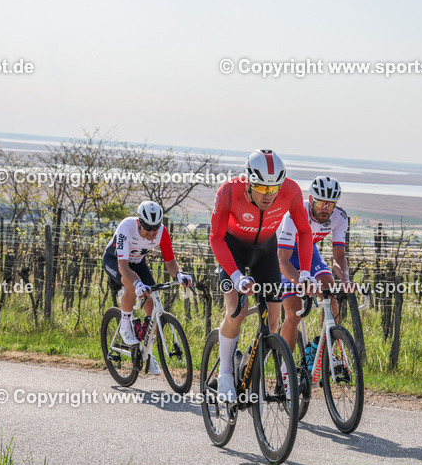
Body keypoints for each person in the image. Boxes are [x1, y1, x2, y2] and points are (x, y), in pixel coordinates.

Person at [210, 149, 315, 402]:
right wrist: (236, 276)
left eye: (274, 189)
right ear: (248, 181)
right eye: (262, 188)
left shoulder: (290, 191)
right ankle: (225, 373)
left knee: (274, 322)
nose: (269, 195)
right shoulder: (228, 192)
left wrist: (305, 273)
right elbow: (215, 238)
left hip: (265, 250)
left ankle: (248, 365)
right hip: (232, 250)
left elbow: (305, 231)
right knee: (237, 310)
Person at [103, 201, 193, 374]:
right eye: (148, 229)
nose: (152, 233)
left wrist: (179, 275)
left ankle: (148, 354)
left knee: (151, 304)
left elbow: (171, 262)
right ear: (139, 223)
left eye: (155, 228)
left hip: (137, 262)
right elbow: (123, 267)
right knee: (131, 285)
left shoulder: (162, 232)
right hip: (115, 261)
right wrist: (136, 284)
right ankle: (125, 325)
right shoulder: (126, 228)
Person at [277, 176, 352, 353]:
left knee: (329, 290)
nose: (325, 209)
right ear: (311, 199)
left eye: (330, 204)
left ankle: (321, 353)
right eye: (320, 203)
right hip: (285, 255)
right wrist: (301, 283)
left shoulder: (339, 217)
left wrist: (346, 279)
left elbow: (339, 256)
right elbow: (283, 260)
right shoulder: (293, 214)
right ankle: (285, 370)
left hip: (308, 252)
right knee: (294, 312)